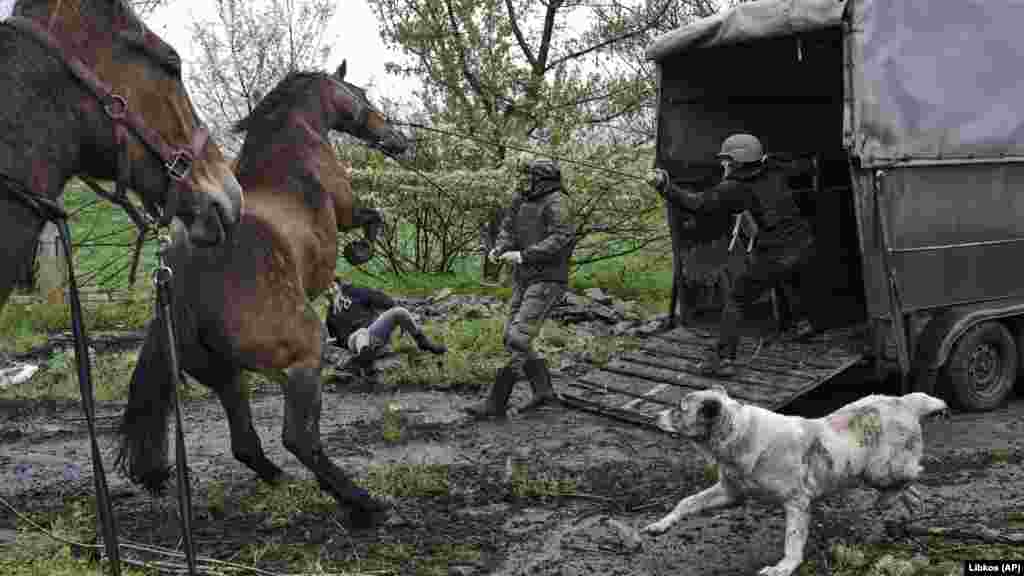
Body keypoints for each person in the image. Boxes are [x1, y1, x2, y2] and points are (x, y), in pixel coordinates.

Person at [646, 133, 816, 376]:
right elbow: (800, 166)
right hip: (804, 244)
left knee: (737, 298)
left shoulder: (734, 188)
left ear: (737, 161)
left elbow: (698, 204)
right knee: (788, 273)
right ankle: (802, 324)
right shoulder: (775, 169)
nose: (723, 164)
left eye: (726, 160)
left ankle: (724, 360)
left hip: (776, 252)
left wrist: (665, 187)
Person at [465, 158, 576, 419]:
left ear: (543, 179)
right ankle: (544, 391)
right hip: (523, 278)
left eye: (530, 178)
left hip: (548, 280)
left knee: (519, 338)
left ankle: (496, 402)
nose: (524, 182)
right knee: (510, 336)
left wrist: (524, 255)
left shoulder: (558, 202)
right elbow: (507, 229)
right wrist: (500, 247)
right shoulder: (520, 199)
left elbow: (561, 238)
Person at [325, 279, 447, 378]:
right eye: (325, 289)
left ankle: (423, 342)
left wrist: (399, 318)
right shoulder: (330, 315)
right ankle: (365, 360)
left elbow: (383, 300)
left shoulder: (355, 293)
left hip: (375, 334)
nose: (330, 291)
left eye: (331, 286)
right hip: (355, 343)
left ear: (339, 285)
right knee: (361, 333)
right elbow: (337, 341)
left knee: (400, 311)